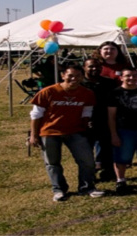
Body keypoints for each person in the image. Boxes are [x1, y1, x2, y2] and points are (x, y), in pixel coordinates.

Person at [29, 64, 104, 201]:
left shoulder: (87, 93)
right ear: (63, 75)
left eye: (78, 76)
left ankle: (87, 187)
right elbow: (36, 115)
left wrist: (87, 127)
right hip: (50, 132)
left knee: (87, 161)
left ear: (82, 77)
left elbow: (86, 113)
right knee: (52, 163)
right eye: (70, 75)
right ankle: (59, 190)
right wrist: (34, 135)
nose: (74, 79)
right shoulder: (48, 92)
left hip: (76, 132)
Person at [80, 58, 119, 182]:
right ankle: (88, 175)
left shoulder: (109, 83)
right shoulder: (80, 84)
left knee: (107, 148)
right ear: (84, 68)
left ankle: (108, 172)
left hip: (105, 119)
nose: (94, 69)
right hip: (84, 121)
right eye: (91, 66)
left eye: (97, 66)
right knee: (86, 151)